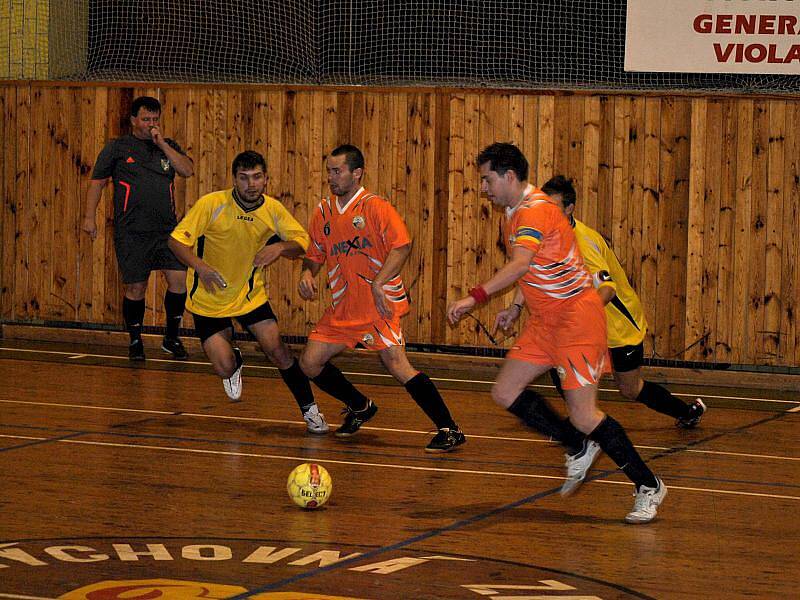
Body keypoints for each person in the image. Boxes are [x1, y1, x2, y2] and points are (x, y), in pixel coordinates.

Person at [447, 142, 666, 523]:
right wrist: (516, 307)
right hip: (545, 321)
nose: (484, 188)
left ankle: (648, 485)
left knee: (584, 415)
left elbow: (519, 264)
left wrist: (474, 297)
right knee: (505, 391)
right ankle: (576, 445)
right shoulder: (514, 212)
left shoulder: (534, 212)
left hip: (577, 320)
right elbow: (530, 266)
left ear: (509, 176)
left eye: (487, 180)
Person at [297, 144, 465, 452]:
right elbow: (315, 254)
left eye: (338, 171)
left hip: (378, 306)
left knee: (397, 364)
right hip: (344, 308)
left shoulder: (375, 207)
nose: (331, 178)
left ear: (356, 173)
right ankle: (360, 406)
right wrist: (308, 274)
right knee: (309, 363)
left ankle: (449, 429)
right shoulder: (323, 211)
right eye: (329, 172)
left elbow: (401, 246)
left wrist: (379, 283)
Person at [168, 150, 328, 434]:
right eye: (244, 178)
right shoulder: (212, 204)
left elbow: (304, 243)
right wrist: (201, 267)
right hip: (209, 298)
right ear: (234, 180)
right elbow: (176, 242)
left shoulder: (273, 210)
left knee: (278, 351)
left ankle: (310, 410)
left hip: (250, 296)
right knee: (224, 367)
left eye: (256, 177)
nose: (250, 184)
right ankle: (235, 361)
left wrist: (279, 247)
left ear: (266, 179)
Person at [540, 175, 706, 428]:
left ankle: (686, 412)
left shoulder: (582, 242)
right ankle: (581, 423)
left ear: (569, 208)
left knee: (630, 388)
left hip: (618, 327)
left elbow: (608, 289)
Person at [83, 96, 192, 362]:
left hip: (167, 231)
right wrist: (89, 218)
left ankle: (171, 337)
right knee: (136, 288)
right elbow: (97, 182)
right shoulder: (118, 148)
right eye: (145, 119)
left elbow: (187, 170)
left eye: (155, 120)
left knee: (178, 281)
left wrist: (163, 144)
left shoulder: (167, 147)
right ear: (133, 120)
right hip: (131, 231)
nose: (150, 125)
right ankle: (135, 339)